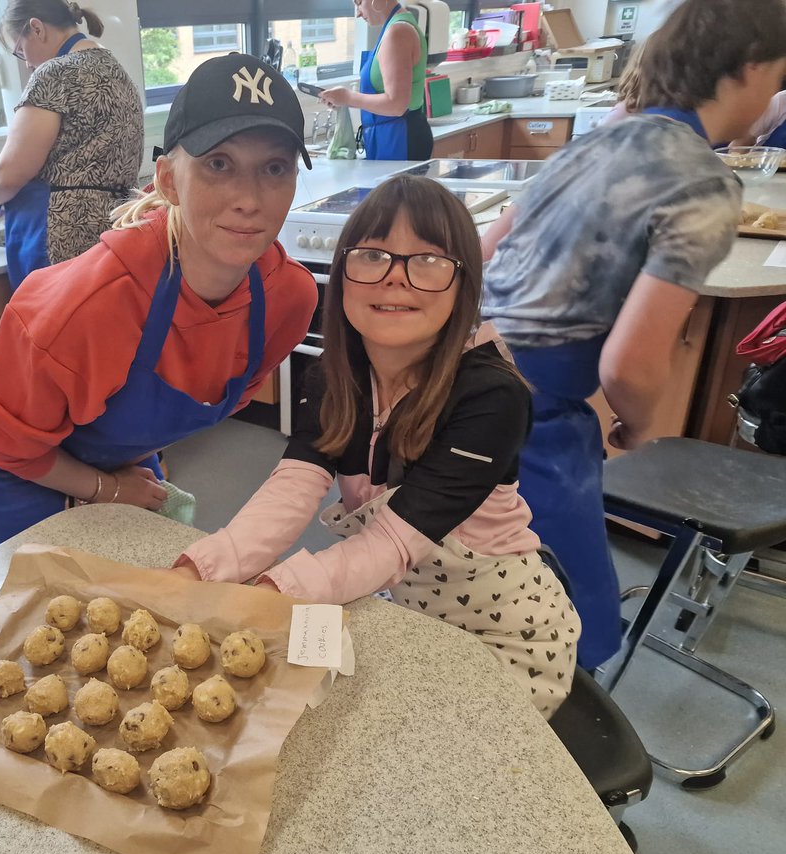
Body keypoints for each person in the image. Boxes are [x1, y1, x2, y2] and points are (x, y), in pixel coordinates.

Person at [172, 176, 580, 719]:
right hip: (408, 610)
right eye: (372, 256)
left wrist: (272, 590)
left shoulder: (490, 398)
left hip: (505, 633)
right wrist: (203, 568)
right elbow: (293, 487)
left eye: (428, 261)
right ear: (341, 277)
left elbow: (391, 542)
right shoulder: (337, 378)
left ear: (465, 285)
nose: (395, 281)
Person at [479, 0, 786, 671]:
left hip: (460, 375)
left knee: (458, 578)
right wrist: (640, 428)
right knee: (558, 619)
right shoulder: (703, 183)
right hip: (526, 418)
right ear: (753, 68)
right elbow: (628, 363)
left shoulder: (600, 139)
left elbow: (484, 246)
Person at [0, 53, 319, 551]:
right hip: (5, 444)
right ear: (167, 180)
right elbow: (5, 444)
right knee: (49, 598)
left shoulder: (286, 298)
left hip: (101, 442)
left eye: (274, 168)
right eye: (218, 164)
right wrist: (109, 488)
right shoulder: (90, 307)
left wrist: (123, 468)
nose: (249, 199)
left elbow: (231, 388)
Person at [0, 0, 143, 289]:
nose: (27, 63)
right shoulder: (116, 70)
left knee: (59, 329)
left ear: (37, 28)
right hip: (118, 227)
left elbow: (8, 174)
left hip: (64, 236)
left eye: (19, 51)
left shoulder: (53, 75)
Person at [318, 0, 433, 161]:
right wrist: (344, 100)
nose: (358, 13)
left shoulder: (397, 32)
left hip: (400, 138)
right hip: (394, 135)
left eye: (359, 3)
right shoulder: (397, 26)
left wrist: (348, 97)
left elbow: (396, 104)